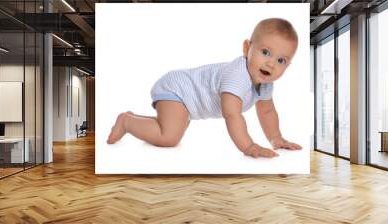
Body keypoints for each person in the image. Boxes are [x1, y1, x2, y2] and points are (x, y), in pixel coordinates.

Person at [107, 18, 302, 158]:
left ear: (287, 66)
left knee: (172, 125)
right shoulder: (237, 76)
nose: (271, 64)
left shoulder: (265, 83)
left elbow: (267, 111)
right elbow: (232, 115)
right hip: (179, 90)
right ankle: (126, 122)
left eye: (281, 60)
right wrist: (248, 146)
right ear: (246, 48)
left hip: (187, 103)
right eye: (265, 52)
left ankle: (134, 118)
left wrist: (276, 138)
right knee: (169, 137)